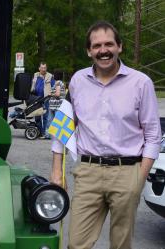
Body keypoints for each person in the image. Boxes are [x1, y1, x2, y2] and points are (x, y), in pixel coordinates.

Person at [50, 21, 161, 249]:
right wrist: (56, 171)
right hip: (88, 172)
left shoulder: (141, 83)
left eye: (109, 44)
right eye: (97, 45)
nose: (103, 50)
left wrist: (138, 179)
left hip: (127, 172)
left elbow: (153, 136)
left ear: (119, 46)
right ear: (89, 51)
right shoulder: (78, 81)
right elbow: (62, 128)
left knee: (120, 244)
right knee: (77, 243)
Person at [31, 62, 55, 139]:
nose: (43, 69)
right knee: (37, 116)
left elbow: (53, 86)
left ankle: (45, 133)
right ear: (39, 68)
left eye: (45, 68)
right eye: (42, 68)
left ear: (46, 68)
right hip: (36, 98)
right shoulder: (36, 75)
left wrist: (51, 95)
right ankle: (39, 132)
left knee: (45, 116)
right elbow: (32, 86)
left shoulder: (50, 76)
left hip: (46, 99)